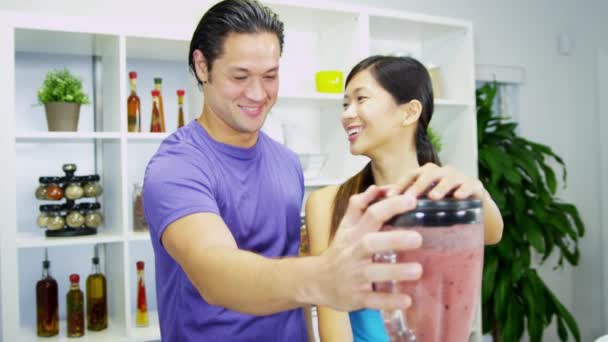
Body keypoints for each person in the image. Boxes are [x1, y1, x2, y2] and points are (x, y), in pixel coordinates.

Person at [143, 1, 426, 341]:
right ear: (202, 67)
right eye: (240, 76)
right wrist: (323, 277)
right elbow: (216, 274)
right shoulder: (176, 166)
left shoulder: (287, 164)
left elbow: (296, 294)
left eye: (270, 76)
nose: (258, 93)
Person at [305, 55, 505, 341]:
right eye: (345, 104)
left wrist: (475, 189)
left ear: (409, 112)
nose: (348, 113)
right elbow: (332, 321)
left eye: (361, 99)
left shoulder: (445, 194)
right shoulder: (328, 204)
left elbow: (493, 231)